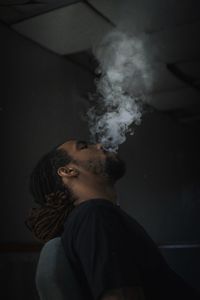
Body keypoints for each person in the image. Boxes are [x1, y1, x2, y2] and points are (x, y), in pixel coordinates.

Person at [26, 139, 200, 300]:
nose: (100, 145)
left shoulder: (90, 217)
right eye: (84, 146)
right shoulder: (95, 214)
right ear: (68, 171)